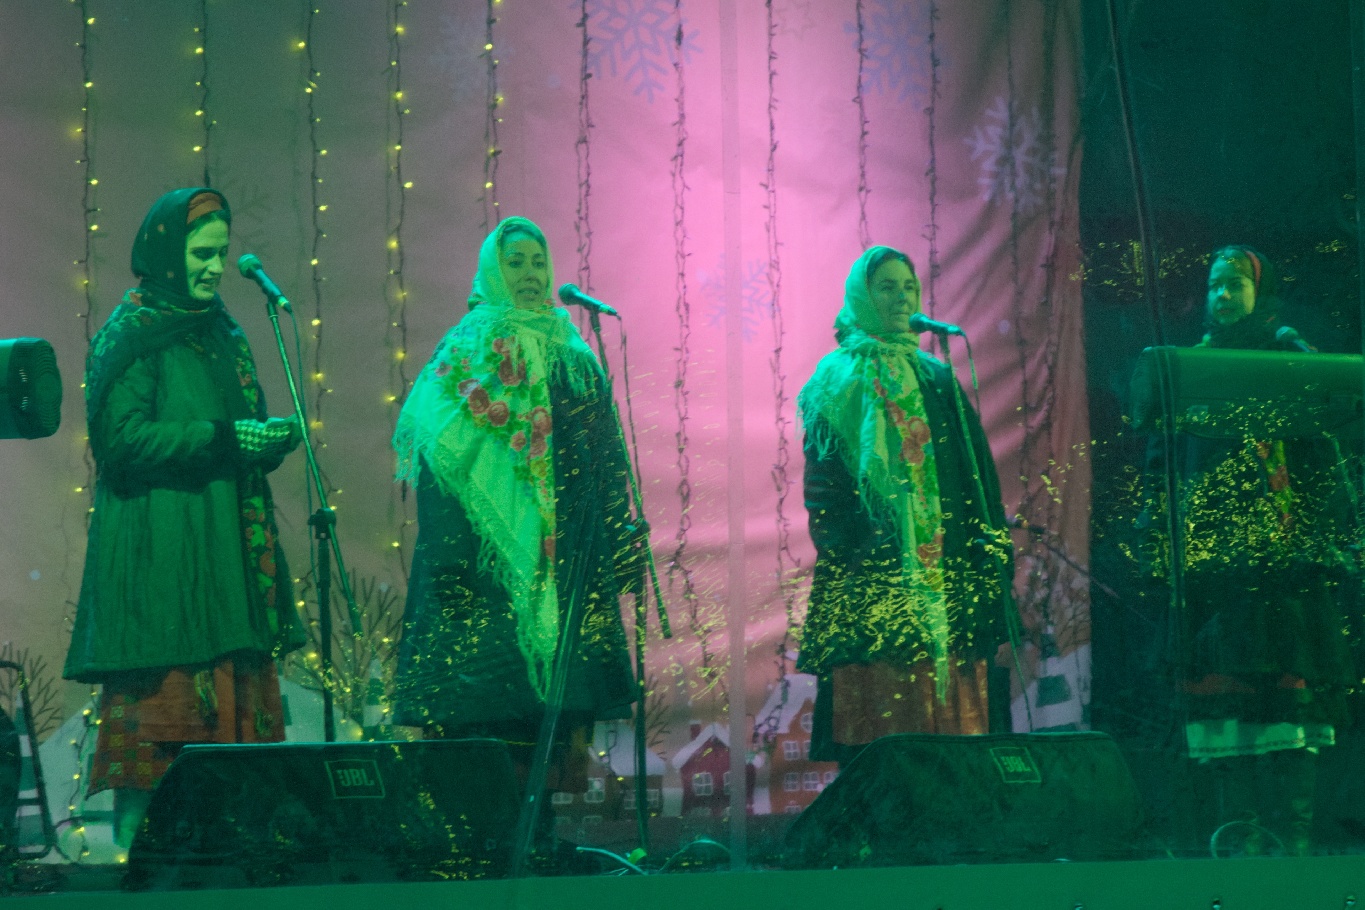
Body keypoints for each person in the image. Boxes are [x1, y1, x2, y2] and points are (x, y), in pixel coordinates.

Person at [63, 187, 305, 847]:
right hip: (163, 564)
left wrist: (264, 440)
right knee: (160, 748)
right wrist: (221, 438)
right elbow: (120, 442)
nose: (214, 266)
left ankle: (224, 873)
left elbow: (234, 426)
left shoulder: (221, 329)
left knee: (234, 773)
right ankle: (142, 873)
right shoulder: (133, 333)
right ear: (168, 251)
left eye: (221, 253)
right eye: (202, 253)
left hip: (224, 564)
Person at [391, 217, 640, 796]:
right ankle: (491, 837)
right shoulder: (465, 352)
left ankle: (543, 833)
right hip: (482, 572)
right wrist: (451, 555)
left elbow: (607, 460)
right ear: (492, 272)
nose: (530, 273)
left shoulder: (574, 354)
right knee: (491, 722)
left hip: (565, 564)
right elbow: (439, 458)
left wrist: (618, 536)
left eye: (537, 261)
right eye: (515, 262)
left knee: (553, 718)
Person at [1142, 245, 1358, 855]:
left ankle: (1291, 863)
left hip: (1284, 584)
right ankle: (1236, 859)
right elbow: (1164, 465)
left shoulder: (1291, 361)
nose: (1222, 295)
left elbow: (1323, 459)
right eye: (1215, 284)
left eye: (1235, 284)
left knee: (1290, 725)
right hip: (1219, 584)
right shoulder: (1193, 370)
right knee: (1226, 726)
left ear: (1260, 294)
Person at [796, 245, 1013, 766]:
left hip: (946, 574)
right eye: (887, 287)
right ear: (862, 296)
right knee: (882, 726)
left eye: (909, 287)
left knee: (951, 738)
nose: (902, 298)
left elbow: (977, 480)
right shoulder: (835, 380)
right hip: (873, 578)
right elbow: (824, 492)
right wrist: (853, 558)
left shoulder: (937, 377)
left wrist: (990, 559)